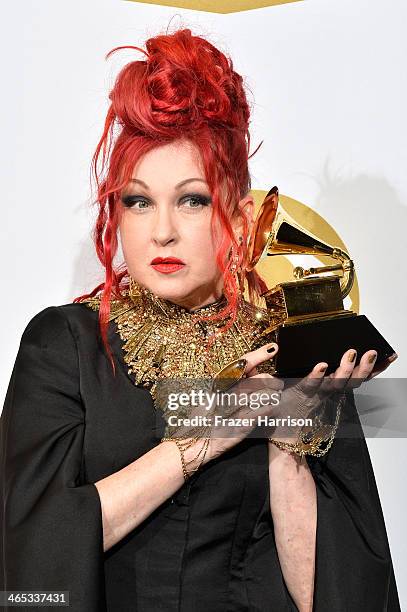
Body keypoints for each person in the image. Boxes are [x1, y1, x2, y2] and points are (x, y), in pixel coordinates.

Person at [0, 27, 400, 612]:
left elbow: (333, 595)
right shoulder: (66, 345)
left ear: (238, 219)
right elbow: (33, 557)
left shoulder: (291, 357)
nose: (162, 230)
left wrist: (287, 437)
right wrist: (209, 435)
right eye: (138, 201)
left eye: (193, 199)